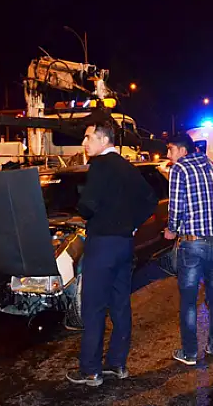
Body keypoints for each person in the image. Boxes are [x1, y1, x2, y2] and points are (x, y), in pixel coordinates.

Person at [66, 122, 157, 387]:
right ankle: (117, 364)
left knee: (93, 306)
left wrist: (82, 209)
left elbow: (88, 205)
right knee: (120, 304)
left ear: (104, 140)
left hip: (102, 245)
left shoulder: (100, 165)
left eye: (88, 137)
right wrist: (132, 224)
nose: (84, 143)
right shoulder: (128, 167)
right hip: (124, 244)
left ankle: (91, 370)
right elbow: (150, 200)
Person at [163, 134, 213, 366]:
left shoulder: (179, 169)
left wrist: (171, 229)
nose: (168, 155)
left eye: (170, 149)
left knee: (189, 300)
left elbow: (175, 206)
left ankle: (189, 352)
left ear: (182, 150)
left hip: (192, 242)